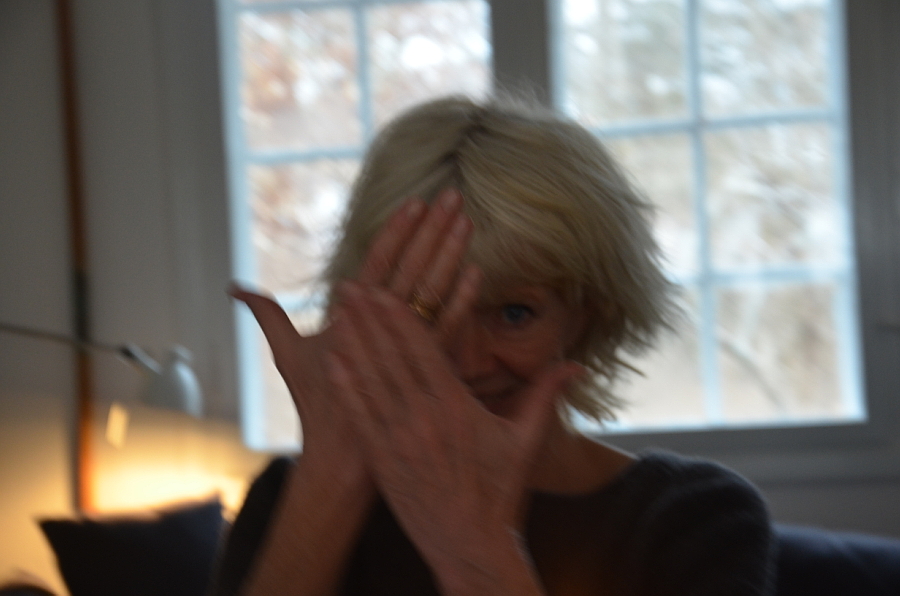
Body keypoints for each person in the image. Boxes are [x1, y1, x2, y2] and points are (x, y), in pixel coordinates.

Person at [214, 96, 774, 596]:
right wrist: (331, 479)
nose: (467, 363)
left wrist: (475, 548)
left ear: (587, 314)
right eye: (428, 314)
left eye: (514, 314)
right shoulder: (289, 499)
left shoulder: (695, 518)